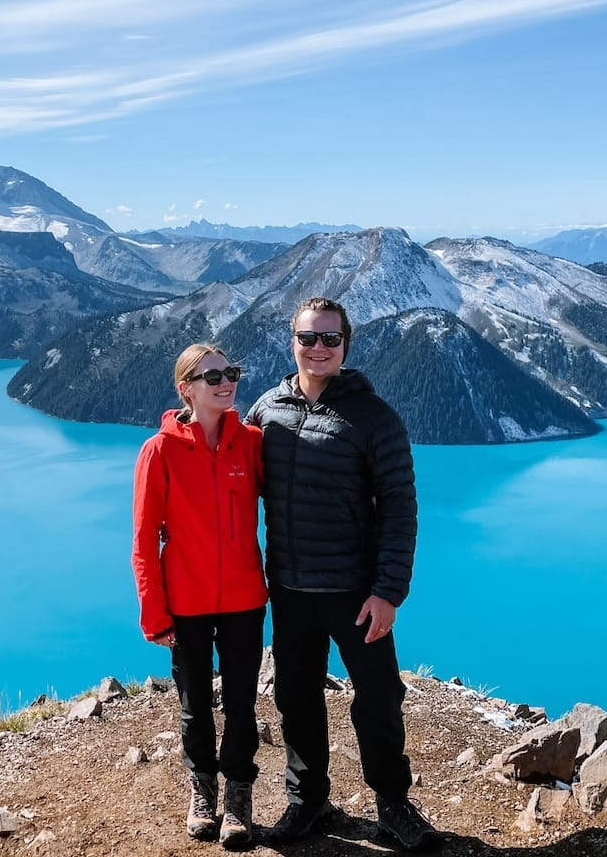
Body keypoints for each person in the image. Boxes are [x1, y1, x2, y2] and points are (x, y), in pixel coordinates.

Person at [246, 297, 441, 851]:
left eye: (330, 339)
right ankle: (307, 802)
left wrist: (387, 591)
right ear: (293, 342)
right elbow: (226, 455)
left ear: (345, 345)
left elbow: (401, 506)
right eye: (309, 338)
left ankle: (393, 806)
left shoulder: (374, 417)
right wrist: (190, 420)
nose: (319, 348)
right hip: (288, 588)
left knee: (378, 697)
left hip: (356, 593)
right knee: (295, 697)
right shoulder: (269, 410)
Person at [132, 344, 267, 849]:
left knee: (241, 703)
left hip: (244, 597)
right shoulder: (159, 451)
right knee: (195, 707)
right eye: (211, 376)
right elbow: (144, 541)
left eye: (230, 372)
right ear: (185, 388)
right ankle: (202, 790)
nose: (225, 383)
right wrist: (154, 612)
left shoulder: (250, 442)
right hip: (184, 601)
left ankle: (237, 795)